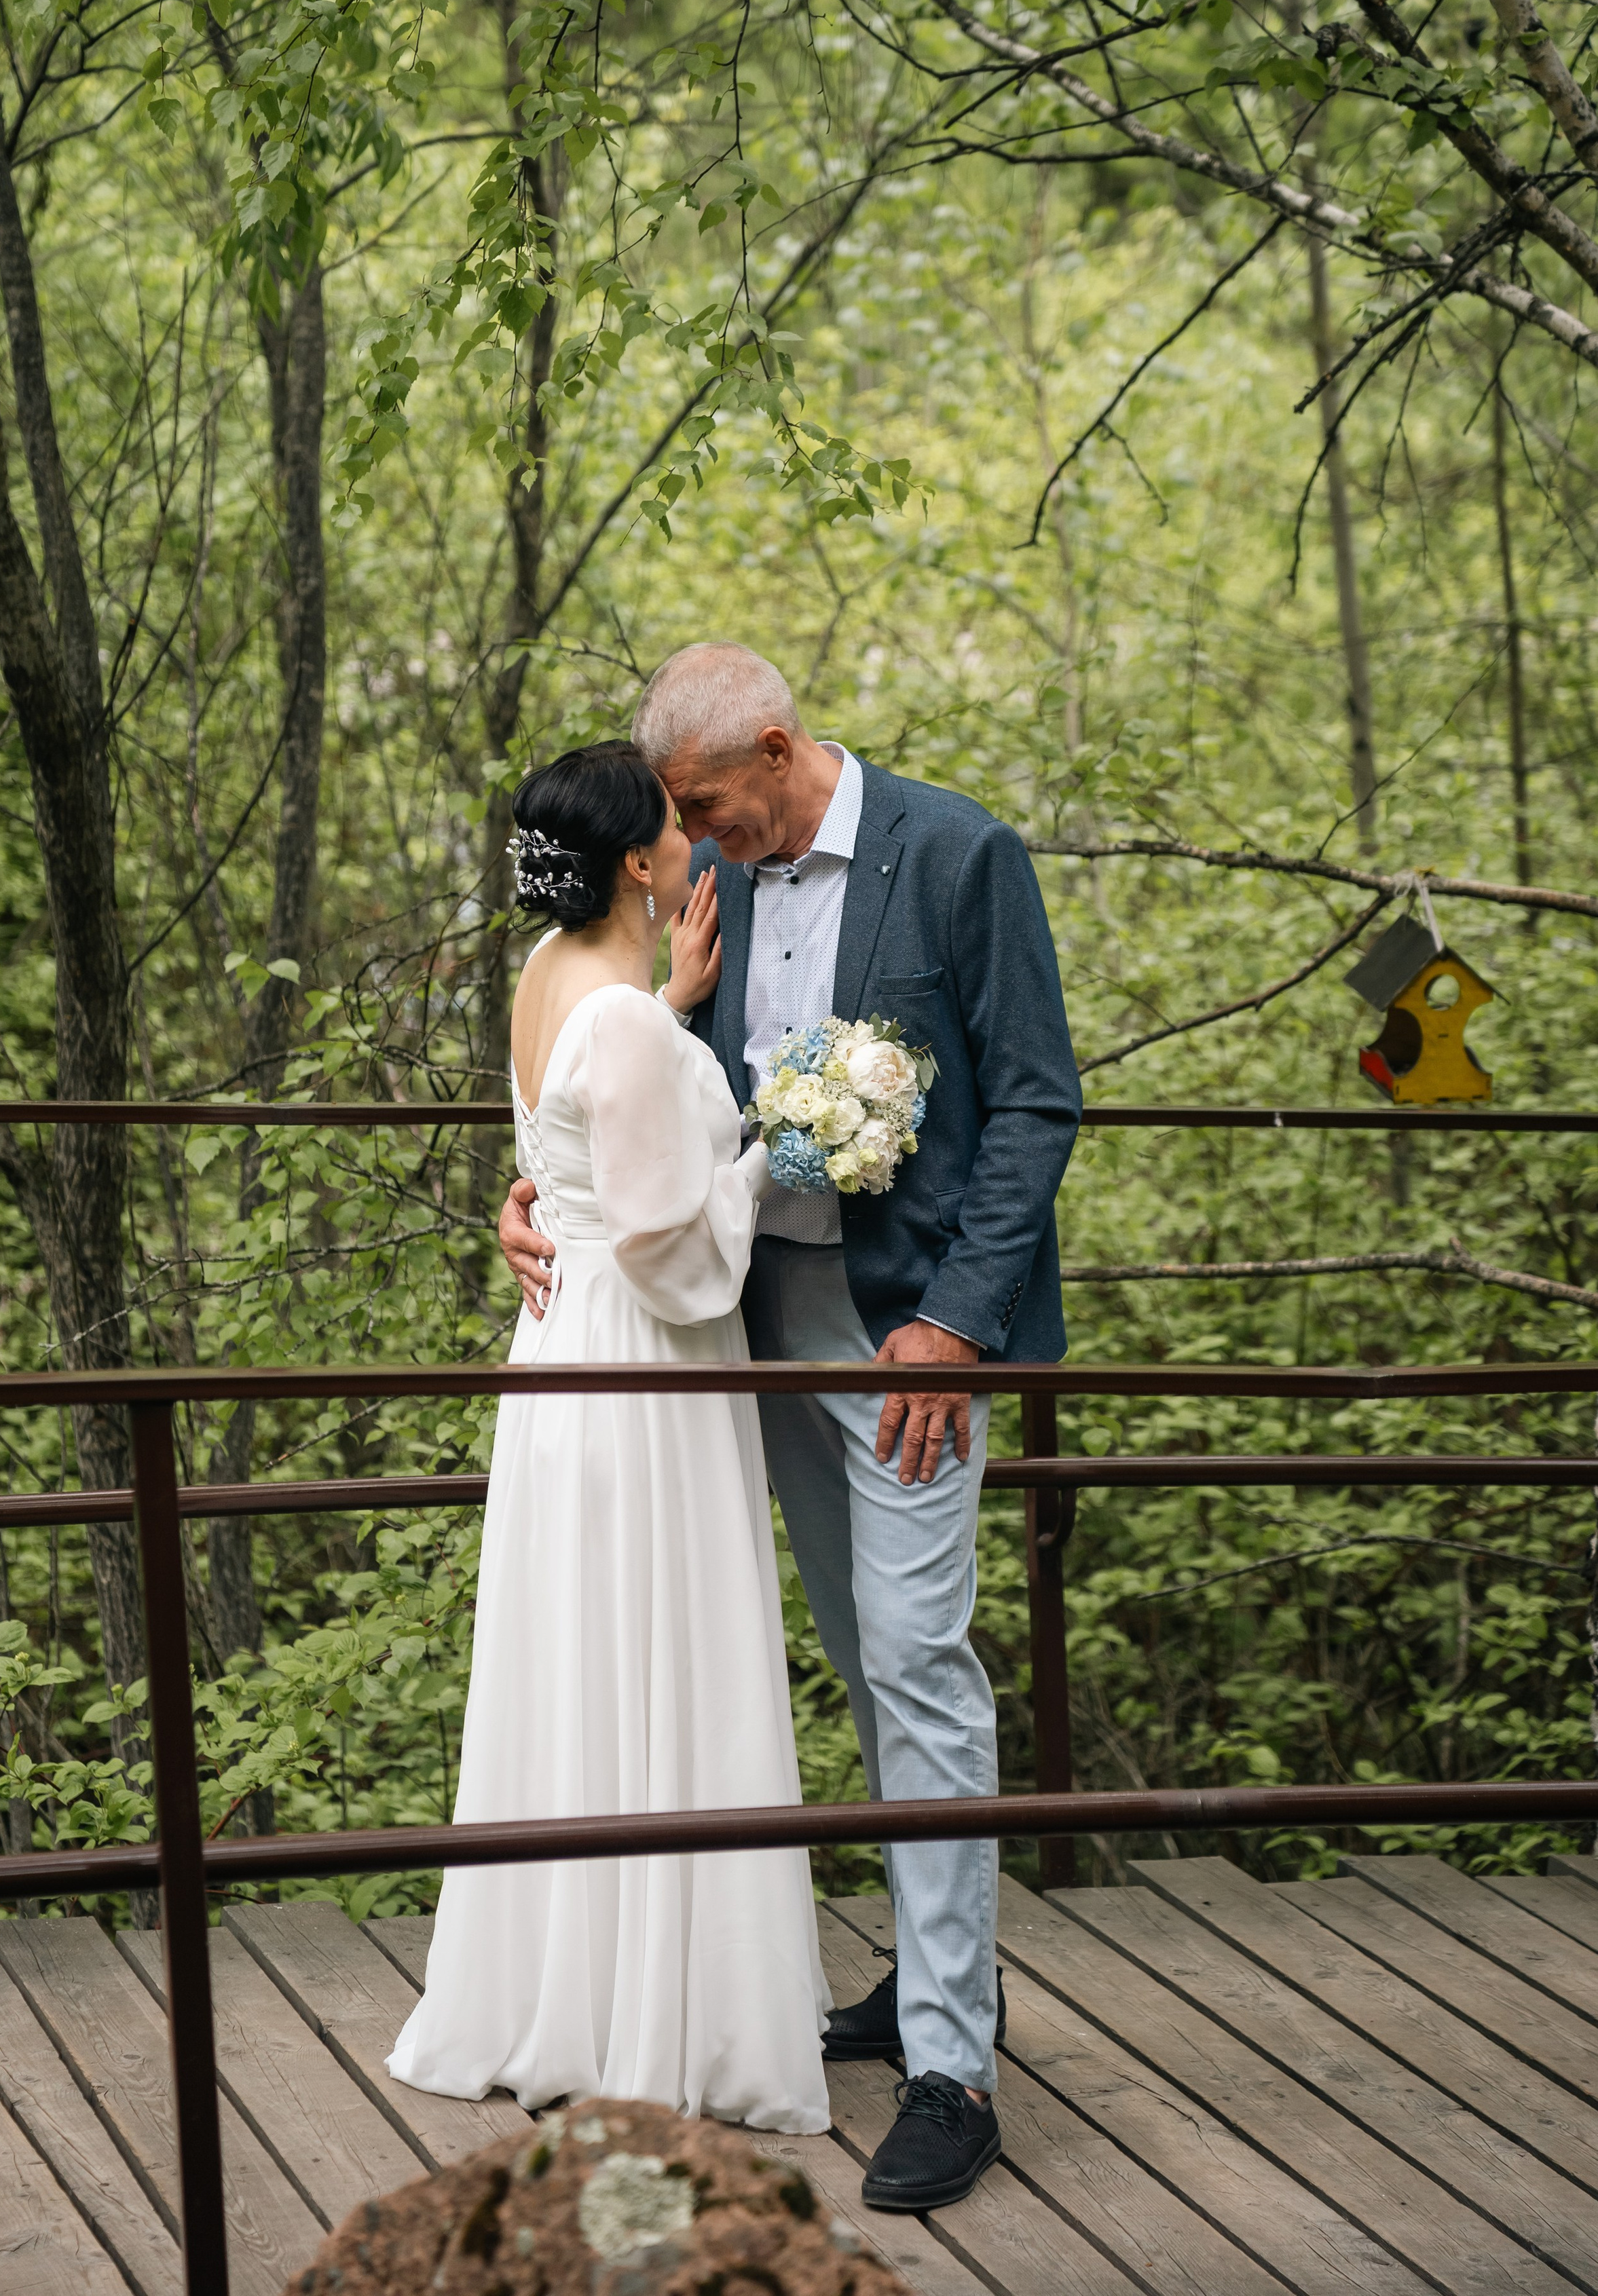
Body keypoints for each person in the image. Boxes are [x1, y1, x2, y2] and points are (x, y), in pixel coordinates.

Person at [500, 649, 1081, 2210]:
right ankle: (915, 1977)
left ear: (773, 747)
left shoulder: (959, 856)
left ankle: (954, 2060)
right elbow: (650, 1076)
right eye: (674, 818)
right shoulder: (719, 885)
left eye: (700, 804)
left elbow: (1034, 1103)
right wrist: (544, 1190)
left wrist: (954, 1324)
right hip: (737, 1336)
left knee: (916, 1658)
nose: (684, 839)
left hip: (904, 1344)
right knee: (845, 1646)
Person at [389, 740, 830, 2133]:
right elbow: (664, 1248)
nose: (695, 842)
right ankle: (665, 2015)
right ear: (640, 861)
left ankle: (574, 1984)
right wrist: (779, 1150)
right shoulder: (630, 1021)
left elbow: (578, 1150)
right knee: (663, 1656)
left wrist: (673, 1003)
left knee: (586, 1664)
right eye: (673, 827)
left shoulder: (549, 980)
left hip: (560, 1355)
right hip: (641, 1369)